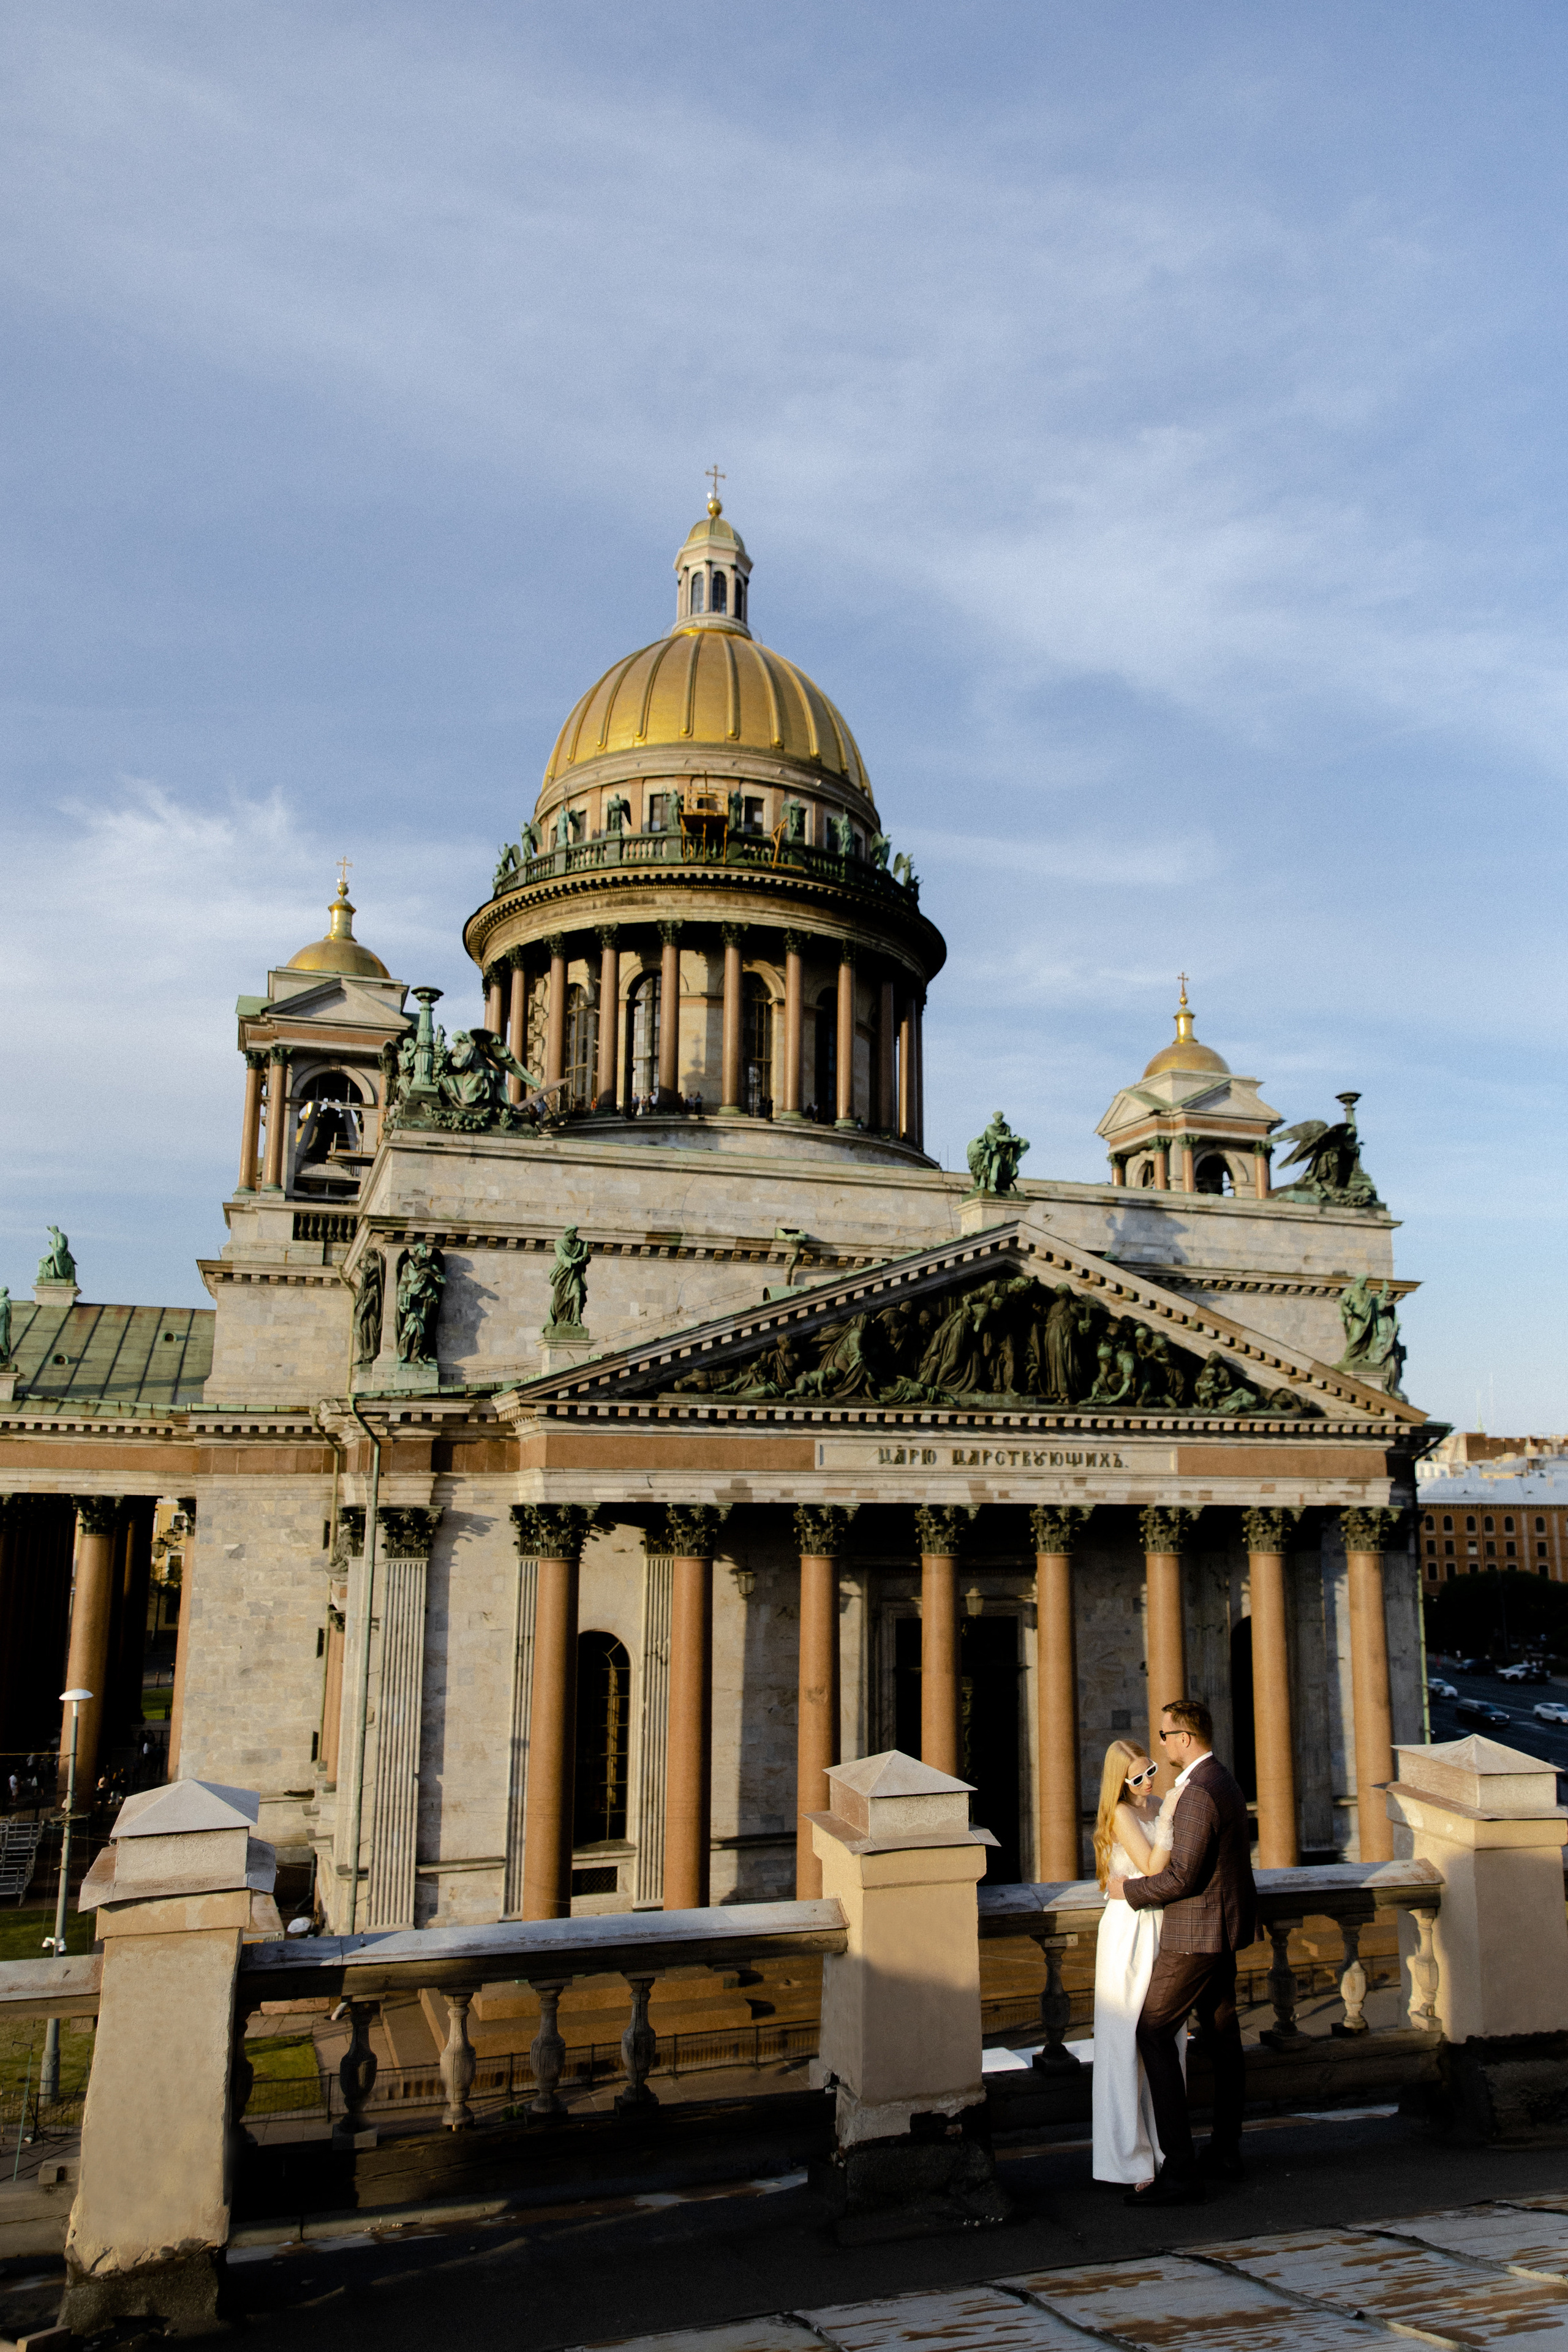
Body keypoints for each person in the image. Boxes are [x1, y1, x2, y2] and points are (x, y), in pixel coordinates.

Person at [1107, 1696, 1256, 2206]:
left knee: (1152, 2032)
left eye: (1167, 1736)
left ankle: (1181, 2170)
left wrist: (1126, 1893)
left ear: (1185, 1739)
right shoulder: (1225, 1781)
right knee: (1221, 2034)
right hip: (1224, 1928)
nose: (1163, 1744)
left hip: (1197, 1935)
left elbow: (1181, 1876)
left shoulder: (1196, 1792)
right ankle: (1226, 2150)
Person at [1090, 1740, 1180, 2187]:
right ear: (1120, 1783)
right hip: (1128, 1933)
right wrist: (1170, 1817)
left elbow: (1170, 1869)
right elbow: (1150, 1863)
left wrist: (1168, 1813)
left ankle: (1167, 2151)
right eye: (1138, 1778)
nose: (1149, 1783)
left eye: (1151, 1772)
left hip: (1163, 1927)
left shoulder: (1159, 1804)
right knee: (1125, 2045)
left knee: (1168, 2039)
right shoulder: (1124, 1815)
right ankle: (1129, 2160)